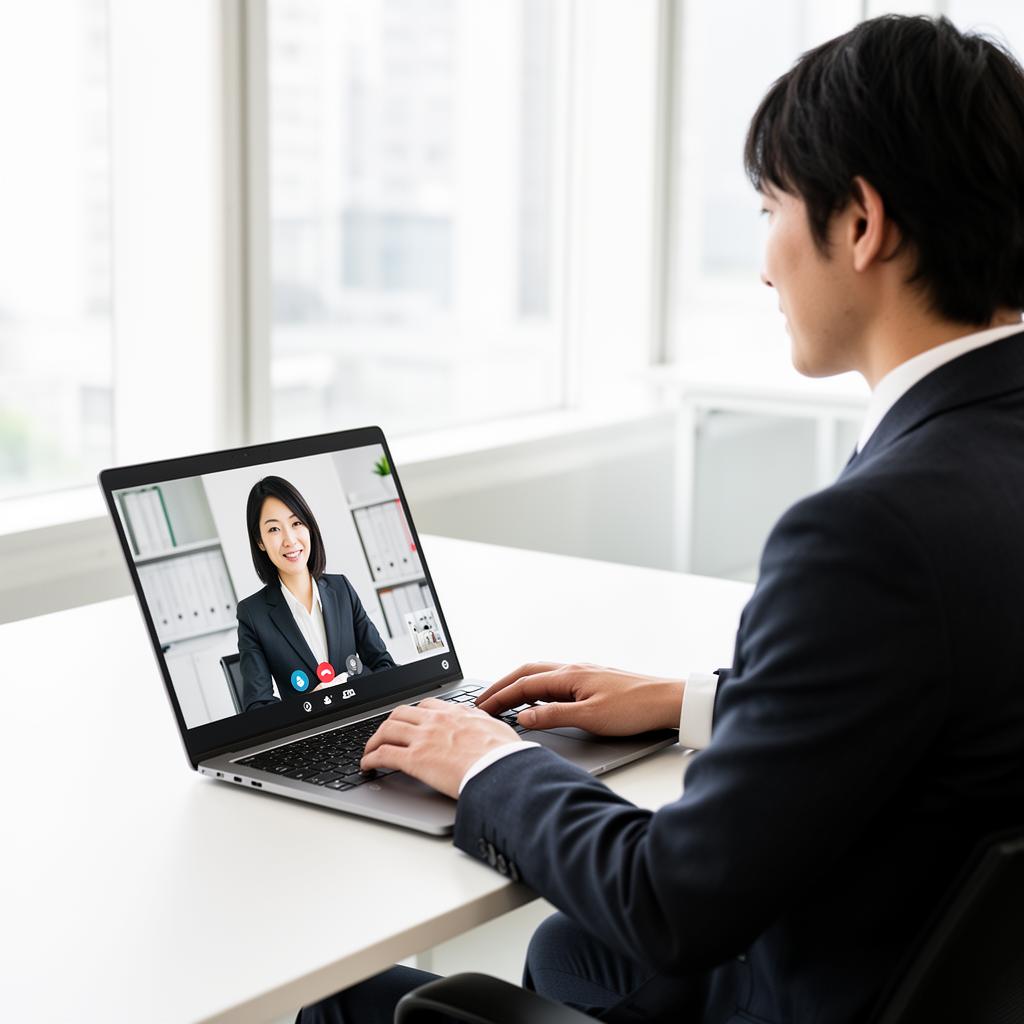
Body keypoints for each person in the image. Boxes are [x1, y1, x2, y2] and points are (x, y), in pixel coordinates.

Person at [299, 15, 1024, 1023]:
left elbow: (667, 901)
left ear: (860, 223)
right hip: (932, 967)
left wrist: (485, 762)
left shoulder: (871, 533)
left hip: (812, 988)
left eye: (771, 207)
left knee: (347, 1002)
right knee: (569, 950)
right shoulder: (984, 453)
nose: (767, 265)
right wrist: (693, 701)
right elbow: (946, 696)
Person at [237, 475, 395, 714]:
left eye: (296, 523)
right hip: (313, 736)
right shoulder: (253, 614)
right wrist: (311, 703)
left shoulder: (341, 588)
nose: (290, 540)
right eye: (273, 529)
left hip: (368, 716)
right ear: (260, 541)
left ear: (308, 525)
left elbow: (384, 665)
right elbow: (258, 708)